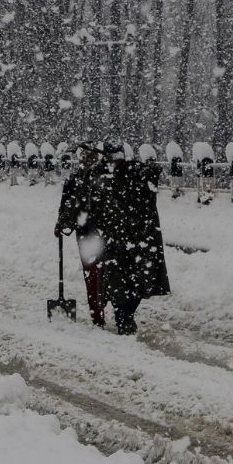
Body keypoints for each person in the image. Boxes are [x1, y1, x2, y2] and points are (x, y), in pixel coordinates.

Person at [84, 139, 170, 335]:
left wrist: (151, 172)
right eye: (110, 158)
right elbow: (93, 205)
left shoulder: (132, 171)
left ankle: (126, 316)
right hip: (113, 238)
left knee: (137, 282)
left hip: (135, 238)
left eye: (117, 158)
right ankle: (123, 319)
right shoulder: (98, 174)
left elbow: (147, 193)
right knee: (117, 283)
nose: (114, 162)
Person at [55, 143, 106, 328]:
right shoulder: (75, 180)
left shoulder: (102, 178)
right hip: (86, 233)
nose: (87, 160)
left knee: (104, 274)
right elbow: (65, 206)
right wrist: (61, 223)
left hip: (103, 233)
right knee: (92, 275)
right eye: (84, 157)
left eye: (91, 157)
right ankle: (97, 315)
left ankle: (104, 311)